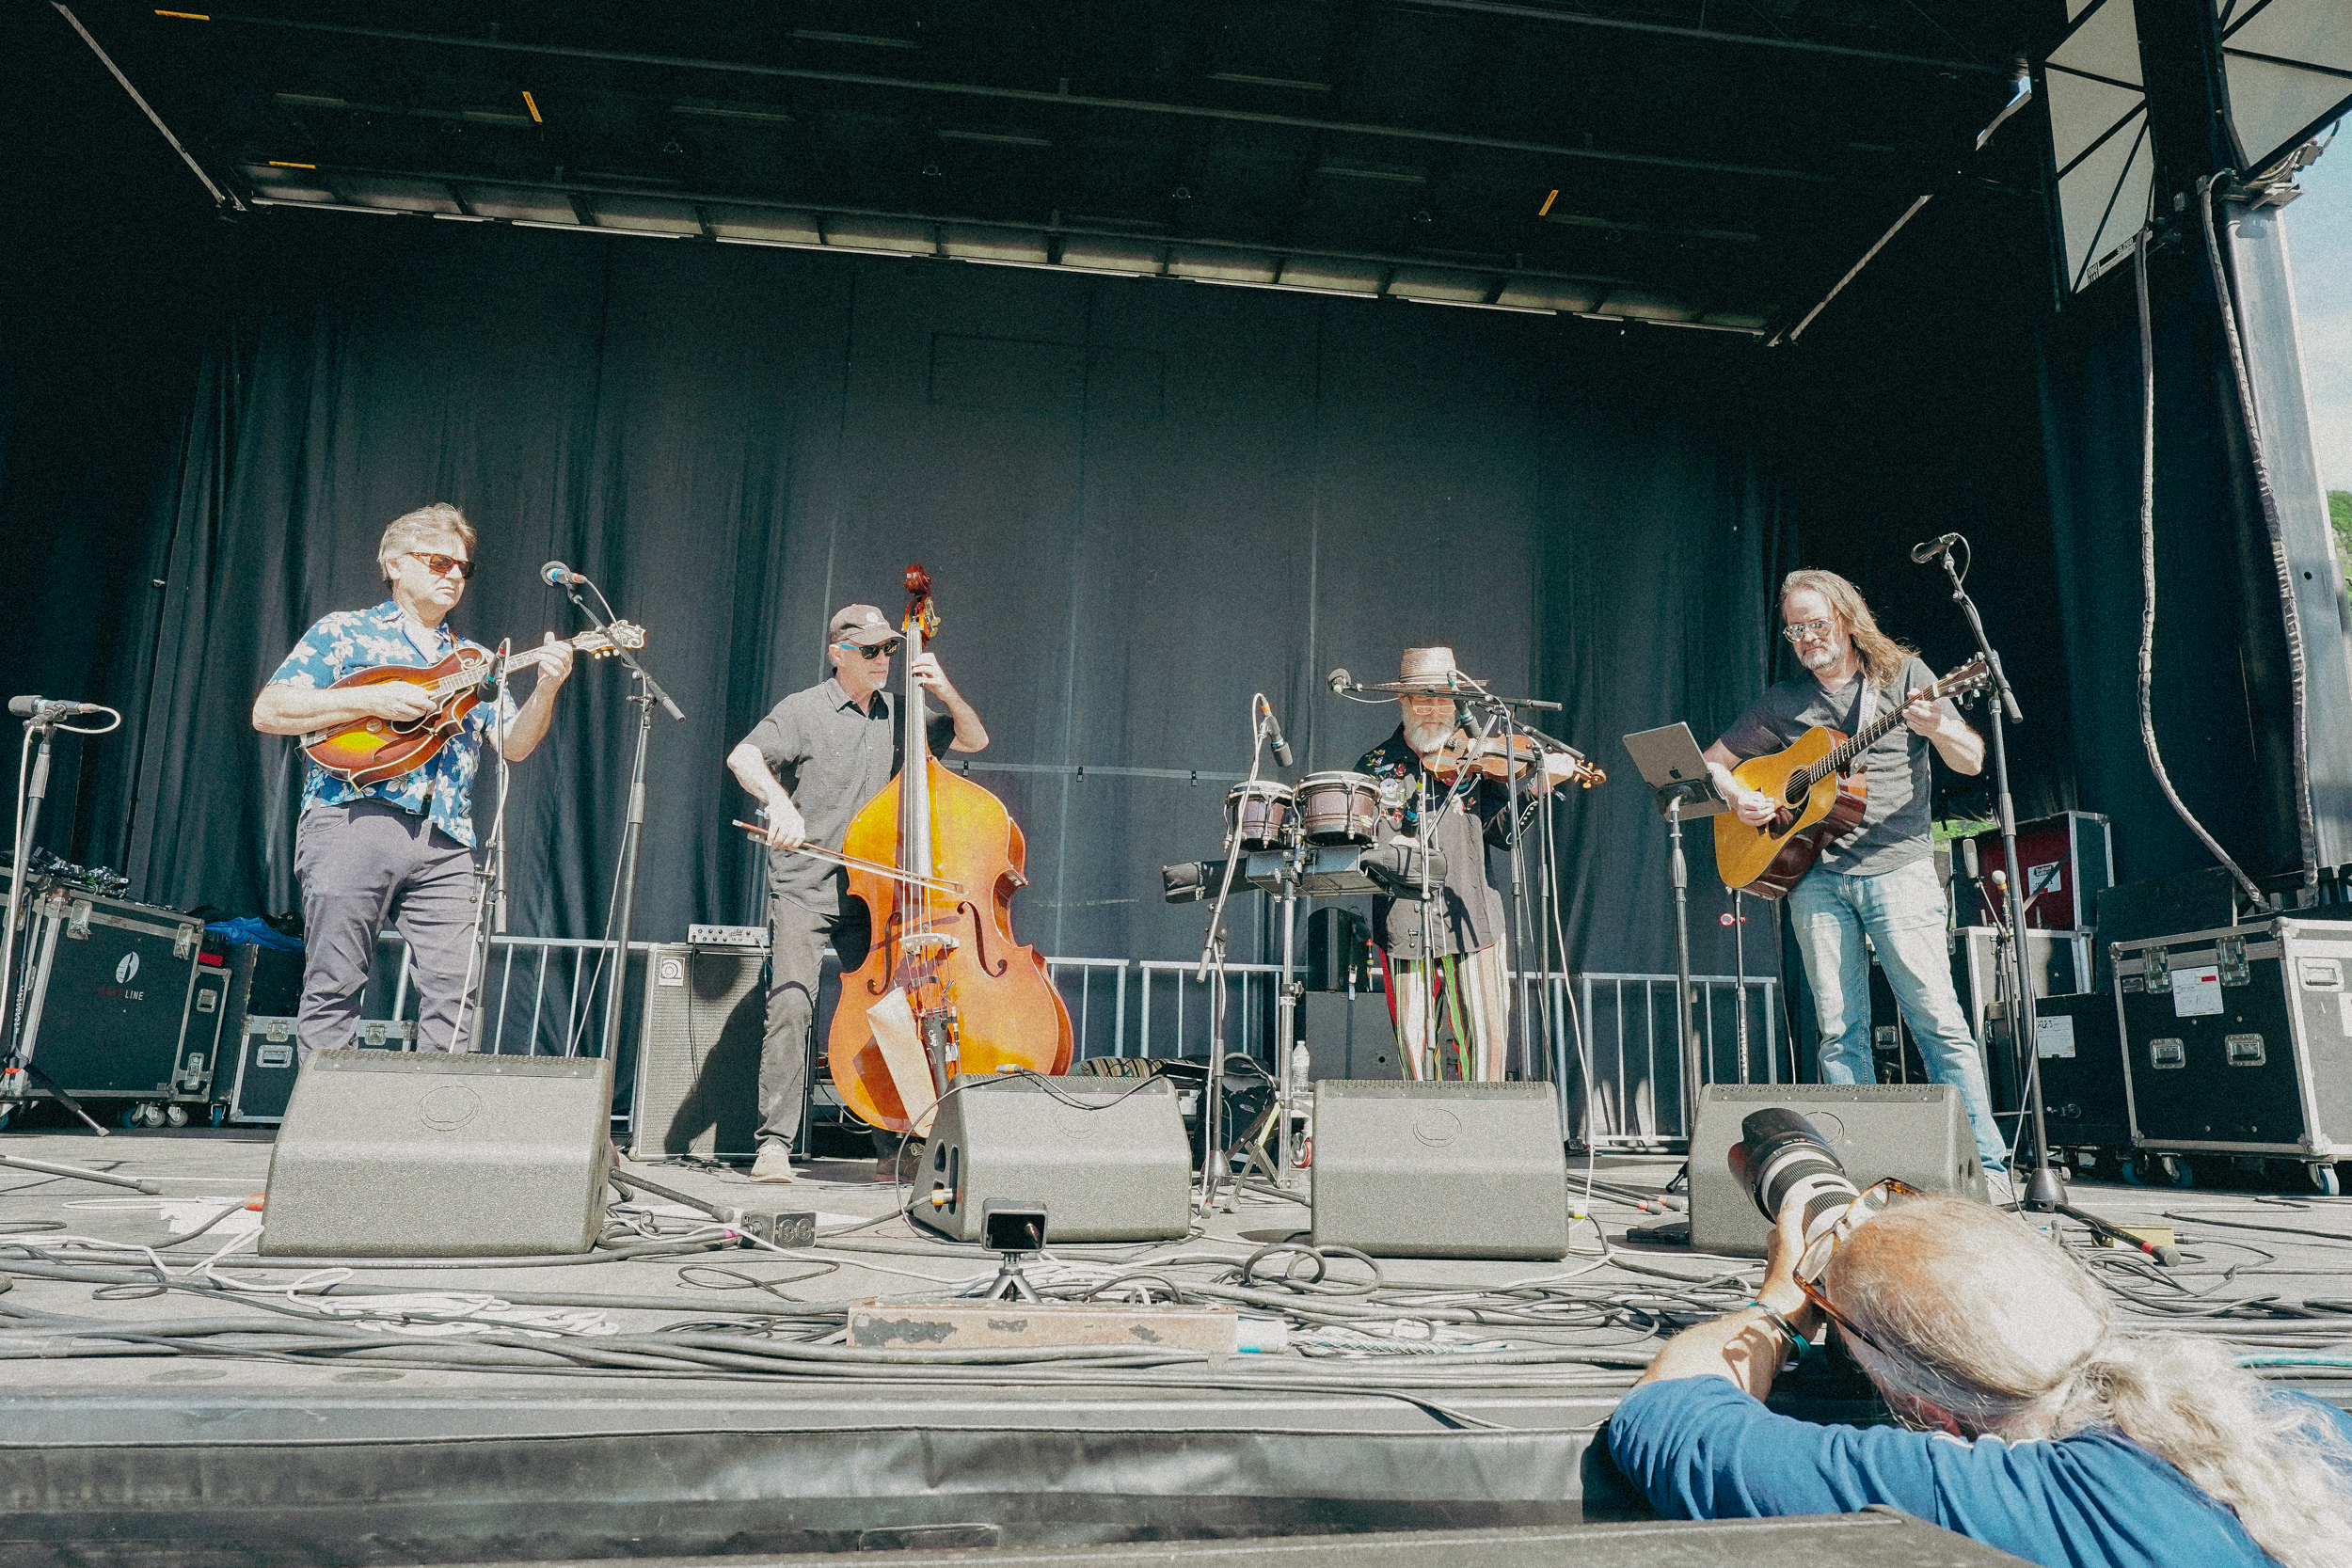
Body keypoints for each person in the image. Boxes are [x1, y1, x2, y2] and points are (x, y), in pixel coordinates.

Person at [1609, 1189, 2352, 1568]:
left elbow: (1665, 1416)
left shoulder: (2003, 1500)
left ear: (1931, 1411)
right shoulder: (2301, 1424)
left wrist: (1778, 1306)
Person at [1703, 569, 2010, 1190]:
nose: (1806, 638)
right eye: (1795, 629)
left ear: (1846, 617)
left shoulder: (1906, 678)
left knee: (1937, 1021)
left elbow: (1972, 758)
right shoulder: (1783, 702)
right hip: (1816, 879)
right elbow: (1713, 762)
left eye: (1816, 624)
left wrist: (1940, 727)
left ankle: (1990, 1168)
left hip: (1898, 868)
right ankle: (1860, 1176)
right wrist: (1737, 796)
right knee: (1839, 1031)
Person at [253, 502, 572, 1058]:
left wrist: (547, 687)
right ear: (395, 564)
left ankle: (436, 1129)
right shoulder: (346, 632)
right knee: (336, 981)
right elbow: (270, 709)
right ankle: (325, 1135)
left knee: (456, 993)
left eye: (462, 568)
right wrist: (370, 697)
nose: (453, 576)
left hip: (447, 838)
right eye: (438, 562)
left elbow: (515, 745)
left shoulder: (470, 657)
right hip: (354, 817)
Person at [727, 604, 989, 1183]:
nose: (884, 662)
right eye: (871, 651)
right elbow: (743, 756)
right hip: (806, 885)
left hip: (875, 895)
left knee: (888, 1011)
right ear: (838, 654)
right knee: (793, 1002)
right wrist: (779, 801)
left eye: (889, 650)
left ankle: (893, 1141)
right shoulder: (804, 710)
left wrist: (944, 689)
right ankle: (773, 1144)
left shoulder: (906, 716)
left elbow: (974, 737)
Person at [1355, 646, 1547, 1083]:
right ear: (1403, 703)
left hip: (1473, 919)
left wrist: (1533, 790)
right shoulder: (1373, 767)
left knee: (1486, 1047)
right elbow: (1365, 851)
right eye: (1422, 699)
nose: (1433, 711)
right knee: (1414, 1052)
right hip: (1404, 926)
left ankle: (1481, 1146)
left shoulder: (1478, 762)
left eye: (1443, 699)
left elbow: (1505, 833)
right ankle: (1429, 1144)